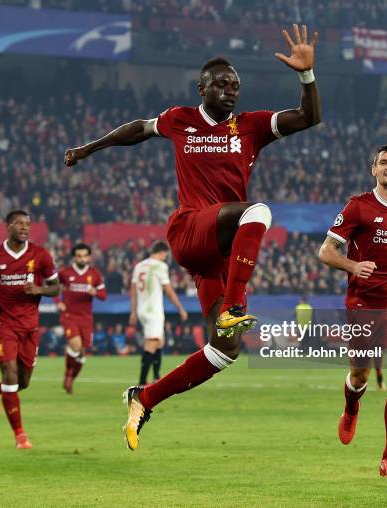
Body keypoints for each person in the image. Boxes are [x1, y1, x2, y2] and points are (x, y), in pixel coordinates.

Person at [65, 24, 321, 450]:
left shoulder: (250, 127)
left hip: (218, 254)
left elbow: (310, 117)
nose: (230, 90)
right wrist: (89, 149)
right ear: (201, 88)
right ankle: (235, 305)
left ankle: (143, 398)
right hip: (189, 229)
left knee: (226, 349)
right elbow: (136, 129)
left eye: (236, 85)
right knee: (258, 211)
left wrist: (306, 76)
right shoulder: (178, 119)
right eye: (221, 83)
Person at [318, 144, 387, 483]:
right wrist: (353, 265)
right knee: (361, 376)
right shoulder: (358, 207)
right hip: (365, 303)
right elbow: (326, 252)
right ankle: (352, 407)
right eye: (384, 163)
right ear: (374, 170)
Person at [0, 210, 60, 449]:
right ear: (8, 226)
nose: (24, 228)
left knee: (23, 382)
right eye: (19, 223)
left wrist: (40, 291)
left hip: (29, 326)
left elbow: (56, 287)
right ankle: (20, 436)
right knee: (10, 374)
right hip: (3, 324)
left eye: (28, 224)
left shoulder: (41, 255)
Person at [129, 241, 188, 385]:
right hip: (153, 309)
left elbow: (133, 290)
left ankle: (156, 376)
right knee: (152, 342)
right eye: (165, 255)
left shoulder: (139, 266)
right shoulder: (160, 266)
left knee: (160, 341)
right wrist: (180, 308)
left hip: (142, 309)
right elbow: (168, 290)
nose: (165, 258)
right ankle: (142, 381)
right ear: (161, 252)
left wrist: (133, 312)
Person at [55, 242, 106, 394]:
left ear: (89, 257)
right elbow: (52, 288)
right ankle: (67, 375)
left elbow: (104, 296)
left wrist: (95, 292)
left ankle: (72, 378)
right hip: (69, 315)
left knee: (82, 353)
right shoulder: (65, 273)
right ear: (74, 257)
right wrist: (58, 302)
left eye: (85, 256)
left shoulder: (95, 274)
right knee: (75, 346)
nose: (82, 259)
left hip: (86, 318)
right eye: (79, 256)